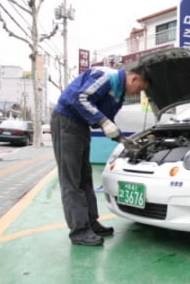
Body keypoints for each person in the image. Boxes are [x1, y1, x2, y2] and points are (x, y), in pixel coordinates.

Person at [50, 65, 151, 246]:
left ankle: (90, 223)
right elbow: (79, 98)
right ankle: (79, 231)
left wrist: (122, 139)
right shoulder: (107, 77)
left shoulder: (118, 94)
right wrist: (103, 121)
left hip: (80, 126)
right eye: (141, 88)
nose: (139, 92)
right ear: (134, 79)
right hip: (66, 122)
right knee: (72, 180)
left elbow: (106, 122)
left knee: (85, 177)